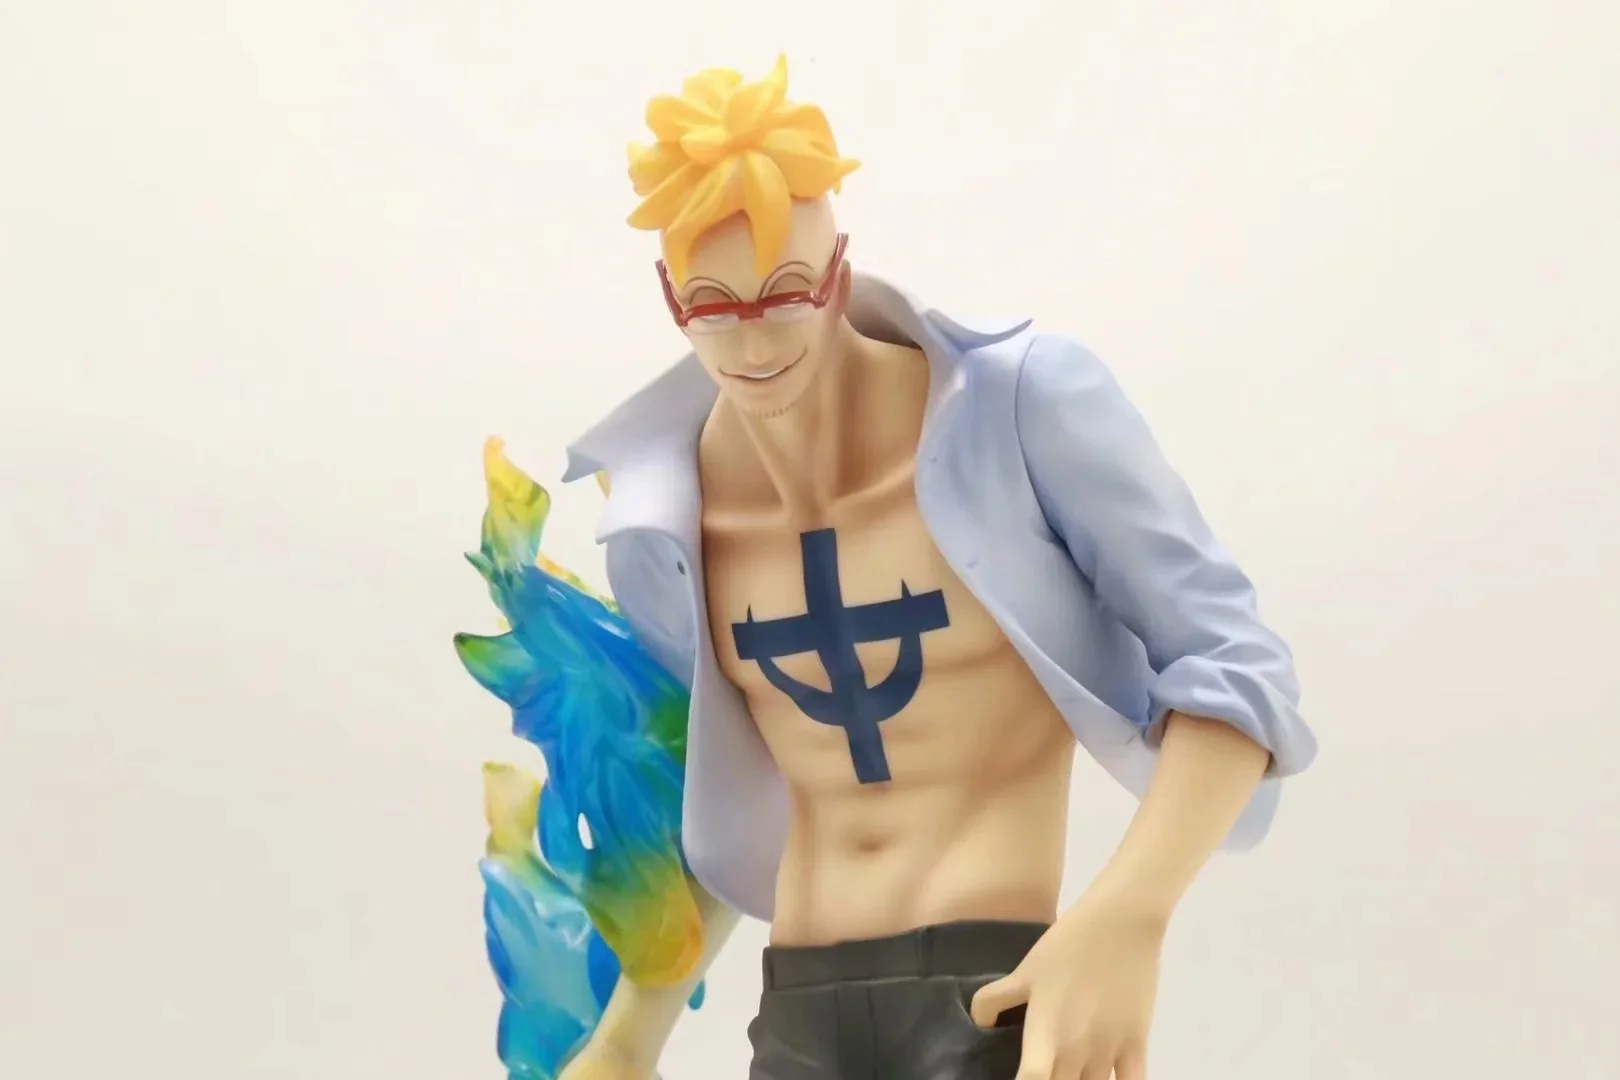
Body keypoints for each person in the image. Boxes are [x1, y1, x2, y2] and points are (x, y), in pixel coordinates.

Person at [555, 56, 1317, 1080]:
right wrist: (628, 1037)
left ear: (838, 272)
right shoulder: (667, 521)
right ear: (670, 299)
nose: (755, 338)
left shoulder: (1017, 415)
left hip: (991, 986)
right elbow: (720, 788)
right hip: (797, 1007)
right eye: (712, 304)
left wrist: (1127, 916)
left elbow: (1235, 667)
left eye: (786, 290)